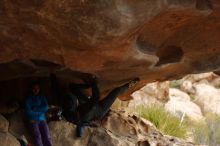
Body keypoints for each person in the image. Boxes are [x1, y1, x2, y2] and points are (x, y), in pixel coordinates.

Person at [50, 73, 140, 137]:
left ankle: (87, 85)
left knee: (73, 87)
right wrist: (93, 82)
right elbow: (96, 97)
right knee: (115, 92)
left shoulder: (70, 107)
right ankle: (129, 85)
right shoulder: (83, 110)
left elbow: (59, 92)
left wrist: (52, 77)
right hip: (99, 111)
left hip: (86, 107)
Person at [24, 81, 53, 146]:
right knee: (38, 136)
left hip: (42, 120)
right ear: (31, 89)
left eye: (37, 88)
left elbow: (46, 107)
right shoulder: (28, 99)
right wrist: (40, 112)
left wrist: (34, 109)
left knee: (47, 137)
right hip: (33, 121)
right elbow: (28, 112)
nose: (36, 90)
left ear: (39, 89)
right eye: (34, 88)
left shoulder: (42, 97)